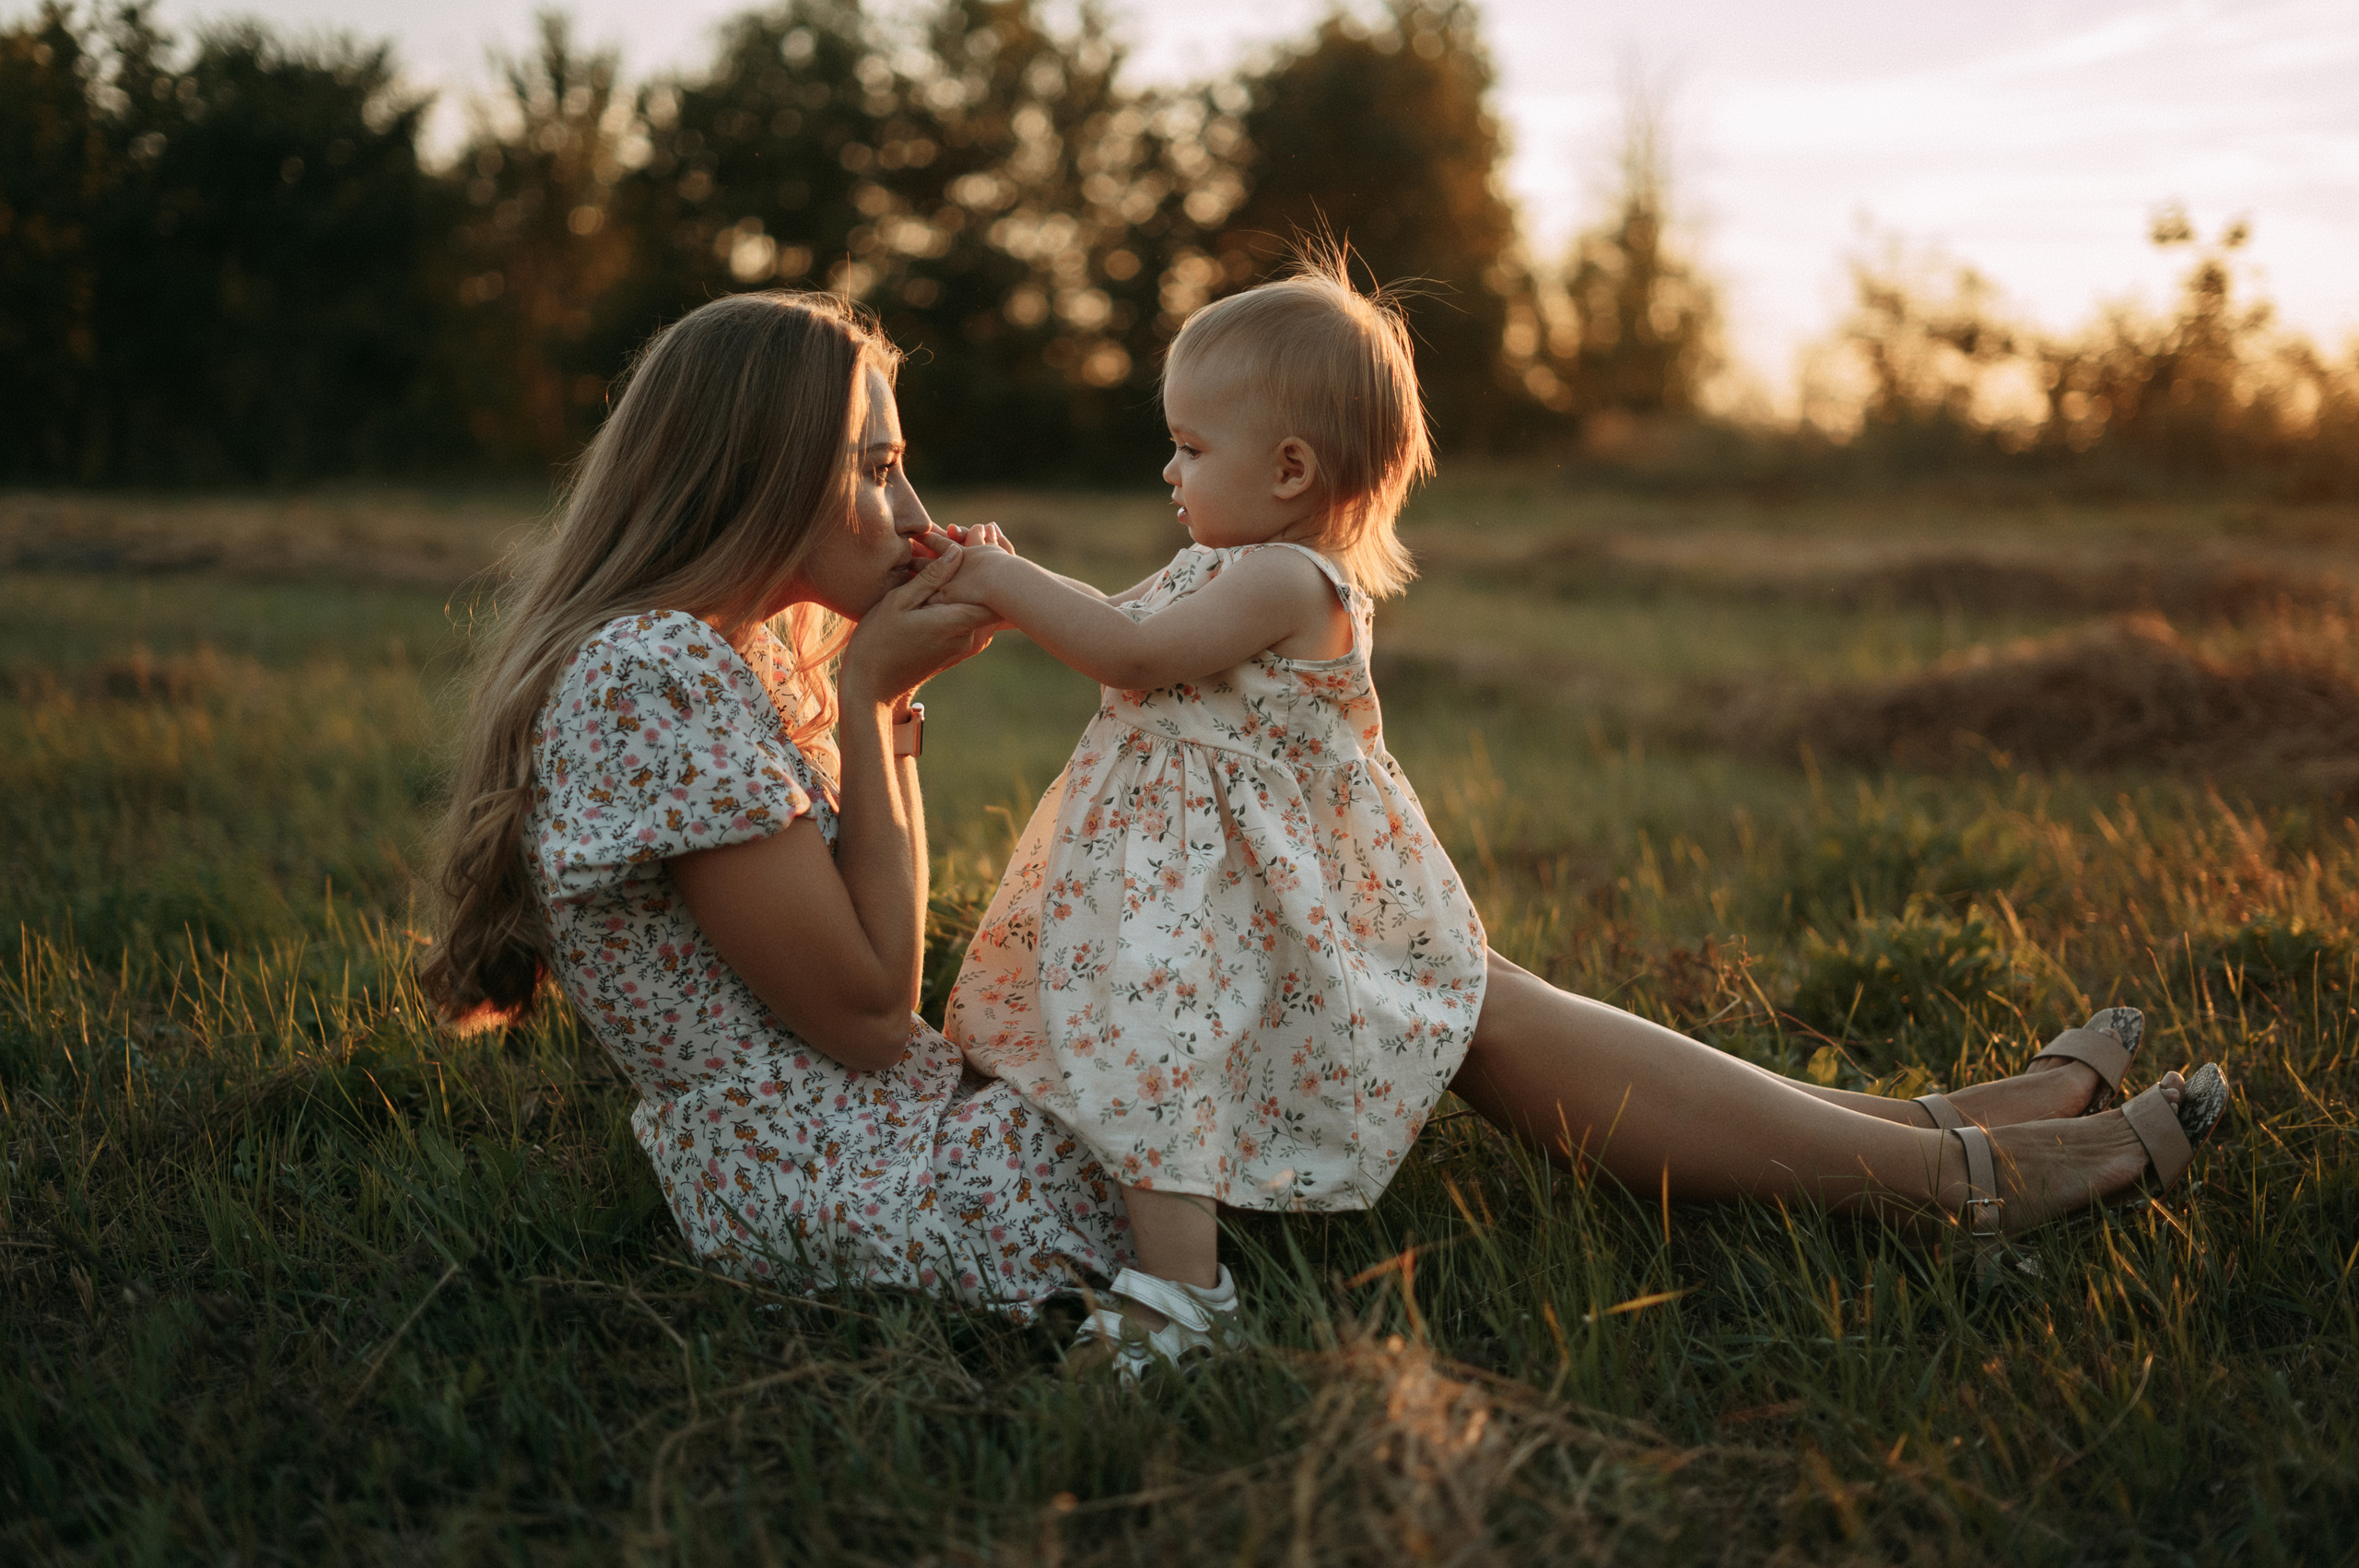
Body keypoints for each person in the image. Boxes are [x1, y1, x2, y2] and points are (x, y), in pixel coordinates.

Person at [418, 287, 2226, 1359]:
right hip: (868, 1187)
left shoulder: (704, 656)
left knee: (1441, 982)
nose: (904, 491)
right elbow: (859, 1010)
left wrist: (871, 700)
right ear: (745, 470)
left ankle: (1937, 1146)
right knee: (1448, 996)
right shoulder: (657, 668)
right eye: (869, 457)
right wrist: (887, 714)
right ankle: (1954, 1176)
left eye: (897, 454)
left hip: (884, 1134)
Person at [922, 253, 2228, 1370]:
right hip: (1287, 894)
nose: (1166, 466)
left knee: (1506, 1034)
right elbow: (1140, 632)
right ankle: (1948, 1137)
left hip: (1318, 898)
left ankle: (1965, 1179)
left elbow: (1130, 655)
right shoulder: (1230, 554)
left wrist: (995, 575)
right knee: (1512, 1029)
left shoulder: (1282, 574)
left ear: (1292, 468)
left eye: (1190, 445)